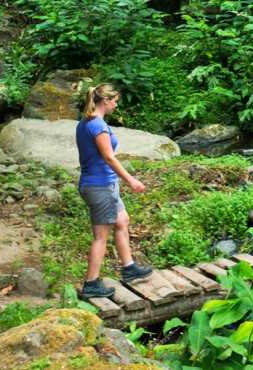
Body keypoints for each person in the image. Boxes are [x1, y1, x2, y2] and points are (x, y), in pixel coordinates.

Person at [75, 83, 154, 299]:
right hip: (100, 186)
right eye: (115, 101)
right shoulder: (97, 126)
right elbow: (109, 157)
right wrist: (131, 180)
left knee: (122, 221)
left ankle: (129, 268)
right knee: (101, 236)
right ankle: (91, 284)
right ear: (105, 101)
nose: (116, 105)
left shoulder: (85, 122)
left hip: (101, 184)